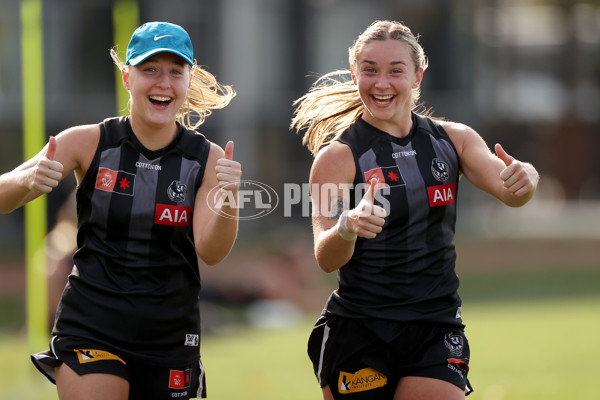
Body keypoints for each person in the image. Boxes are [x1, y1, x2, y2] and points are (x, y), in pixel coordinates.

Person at [291, 20, 539, 400]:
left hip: (435, 327)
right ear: (356, 73)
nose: (381, 83)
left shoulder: (453, 140)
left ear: (418, 75)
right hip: (361, 331)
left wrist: (528, 177)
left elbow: (511, 192)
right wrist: (347, 226)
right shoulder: (337, 158)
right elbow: (326, 257)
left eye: (396, 70)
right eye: (370, 70)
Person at [0, 21, 241, 400]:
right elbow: (2, 195)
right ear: (128, 78)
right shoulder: (87, 141)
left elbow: (212, 252)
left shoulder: (207, 159)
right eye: (150, 70)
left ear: (188, 81)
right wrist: (28, 180)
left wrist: (229, 200)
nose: (163, 82)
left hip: (170, 334)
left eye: (175, 72)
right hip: (93, 324)